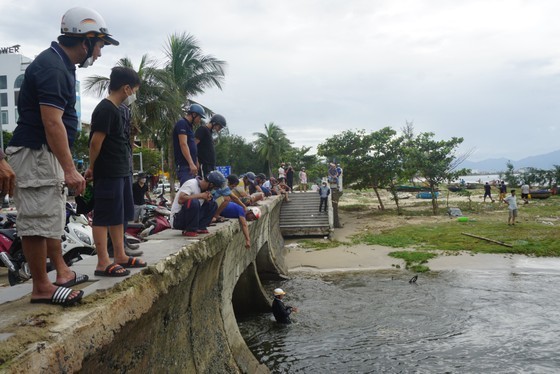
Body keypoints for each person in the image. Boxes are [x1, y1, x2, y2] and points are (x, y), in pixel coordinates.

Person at [5, 7, 118, 305]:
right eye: (100, 45)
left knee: (52, 215)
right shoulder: (54, 68)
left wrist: (65, 165)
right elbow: (51, 121)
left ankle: (62, 272)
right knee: (37, 218)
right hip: (35, 153)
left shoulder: (61, 64)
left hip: (46, 154)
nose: (100, 53)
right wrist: (70, 168)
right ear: (86, 40)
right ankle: (42, 286)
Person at [86, 67, 147, 277]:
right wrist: (92, 168)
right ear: (127, 88)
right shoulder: (106, 109)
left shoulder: (119, 110)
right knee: (103, 216)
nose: (134, 95)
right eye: (135, 90)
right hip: (108, 171)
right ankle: (103, 262)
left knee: (118, 216)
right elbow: (95, 143)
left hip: (121, 171)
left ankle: (120, 255)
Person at [170, 171, 224, 237]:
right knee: (193, 202)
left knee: (212, 204)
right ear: (211, 185)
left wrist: (206, 199)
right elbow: (181, 199)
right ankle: (190, 230)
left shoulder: (204, 191)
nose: (214, 190)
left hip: (190, 218)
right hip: (178, 219)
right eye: (215, 188)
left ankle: (200, 227)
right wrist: (200, 196)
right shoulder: (191, 183)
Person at [173, 104, 204, 185]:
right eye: (199, 117)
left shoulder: (189, 126)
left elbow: (192, 145)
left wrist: (196, 161)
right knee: (188, 193)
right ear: (194, 115)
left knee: (193, 192)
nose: (199, 120)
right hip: (185, 166)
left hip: (191, 166)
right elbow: (183, 144)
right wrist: (191, 163)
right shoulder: (182, 123)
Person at [195, 114, 226, 178]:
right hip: (203, 165)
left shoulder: (209, 133)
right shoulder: (202, 129)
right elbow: (193, 145)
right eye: (219, 127)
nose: (219, 130)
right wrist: (196, 160)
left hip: (210, 166)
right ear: (214, 123)